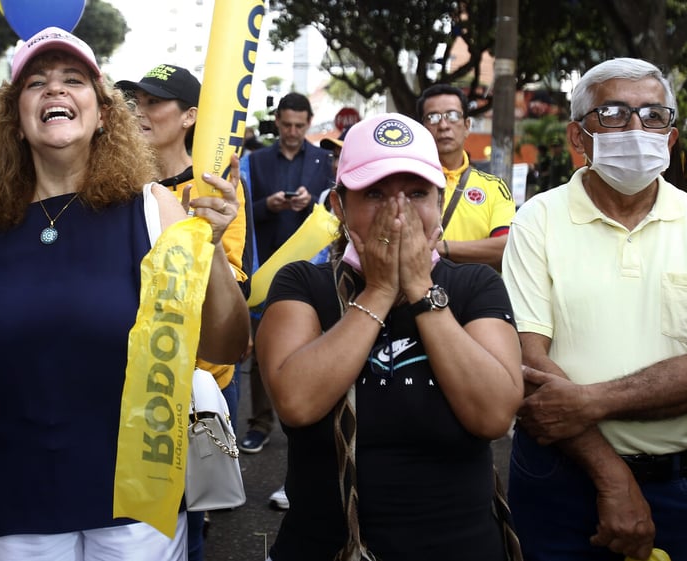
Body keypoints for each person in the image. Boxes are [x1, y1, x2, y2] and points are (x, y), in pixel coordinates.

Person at [0, 26, 249, 561]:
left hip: (139, 511)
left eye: (74, 79)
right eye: (36, 83)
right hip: (15, 511)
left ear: (104, 113)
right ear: (16, 122)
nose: (55, 90)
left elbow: (227, 347)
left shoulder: (154, 209)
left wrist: (209, 255)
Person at [501, 57, 687, 561]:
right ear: (578, 137)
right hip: (557, 477)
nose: (636, 127)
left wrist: (589, 401)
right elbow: (526, 362)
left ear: (672, 138)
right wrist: (612, 475)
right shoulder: (537, 220)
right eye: (613, 113)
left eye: (654, 115)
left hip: (684, 486)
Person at [255, 112, 523, 560]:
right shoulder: (304, 284)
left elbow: (493, 415)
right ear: (339, 207)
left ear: (439, 202)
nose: (397, 213)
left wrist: (420, 289)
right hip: (327, 545)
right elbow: (297, 403)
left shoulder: (475, 285)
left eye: (416, 194)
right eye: (375, 194)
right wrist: (379, 291)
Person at [116, 61, 252, 561]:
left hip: (202, 385)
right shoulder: (117, 188)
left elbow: (234, 286)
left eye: (155, 102)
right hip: (136, 383)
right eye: (136, 101)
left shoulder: (218, 191)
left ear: (191, 115)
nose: (141, 112)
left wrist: (208, 242)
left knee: (188, 525)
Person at [240, 92, 334, 456]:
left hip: (314, 268)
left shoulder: (325, 159)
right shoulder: (256, 160)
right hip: (265, 269)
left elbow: (336, 207)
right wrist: (269, 205)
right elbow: (243, 212)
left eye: (299, 125)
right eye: (286, 124)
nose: (293, 131)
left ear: (309, 123)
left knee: (316, 346)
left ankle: (312, 419)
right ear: (276, 122)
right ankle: (260, 423)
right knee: (264, 349)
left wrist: (311, 203)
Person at [415, 84, 515, 270]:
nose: (444, 126)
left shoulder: (494, 188)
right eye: (433, 117)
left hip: (476, 295)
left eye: (452, 116)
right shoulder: (406, 183)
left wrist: (442, 248)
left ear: (467, 125)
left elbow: (507, 247)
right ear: (423, 128)